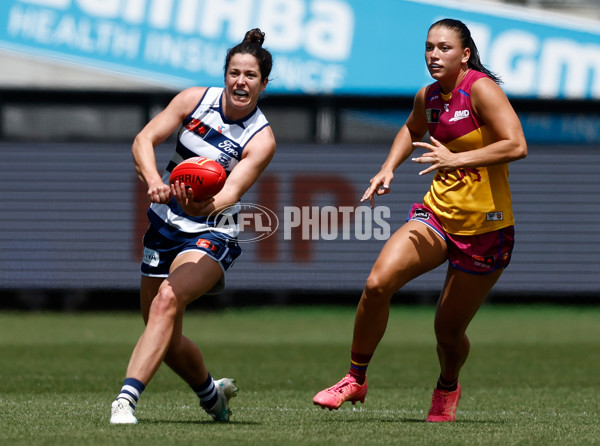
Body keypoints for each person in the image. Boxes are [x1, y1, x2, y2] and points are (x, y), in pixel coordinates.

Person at [312, 18, 527, 422]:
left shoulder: (480, 88)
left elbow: (517, 143)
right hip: (437, 216)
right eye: (429, 47)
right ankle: (355, 378)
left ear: (465, 55)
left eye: (444, 48)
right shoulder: (427, 97)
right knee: (377, 283)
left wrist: (455, 158)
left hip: (486, 230)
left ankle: (447, 385)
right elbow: (410, 131)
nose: (433, 55)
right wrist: (387, 168)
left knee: (447, 333)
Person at [110, 28, 276, 425]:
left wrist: (201, 204)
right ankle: (212, 395)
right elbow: (143, 140)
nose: (241, 81)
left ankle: (126, 400)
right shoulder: (192, 100)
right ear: (225, 75)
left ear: (263, 84)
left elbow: (230, 194)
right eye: (234, 72)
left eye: (250, 76)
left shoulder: (261, 138)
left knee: (167, 300)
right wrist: (154, 181)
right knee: (161, 334)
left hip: (212, 230)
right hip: (165, 224)